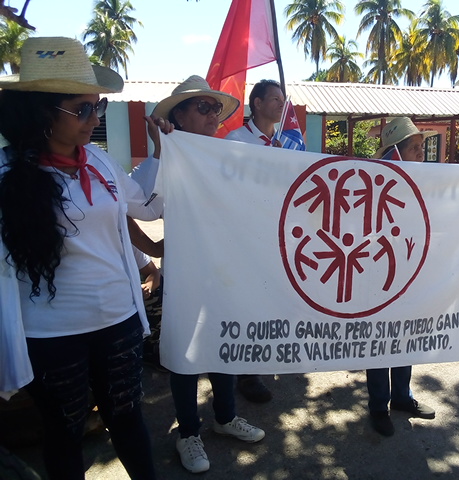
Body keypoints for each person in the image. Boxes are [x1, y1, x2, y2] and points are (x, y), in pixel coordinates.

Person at [0, 37, 162, 480]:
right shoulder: (6, 176)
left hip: (120, 322)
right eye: (83, 109)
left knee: (128, 419)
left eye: (99, 107)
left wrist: (161, 150)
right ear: (41, 111)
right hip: (53, 337)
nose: (95, 119)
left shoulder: (99, 162)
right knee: (64, 431)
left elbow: (144, 205)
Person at [132, 75, 265, 474]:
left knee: (224, 346)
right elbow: (137, 209)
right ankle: (188, 432)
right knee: (185, 355)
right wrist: (154, 251)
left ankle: (224, 418)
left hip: (225, 275)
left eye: (215, 109)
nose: (212, 116)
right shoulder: (161, 160)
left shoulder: (227, 159)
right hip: (187, 279)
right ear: (179, 115)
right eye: (202, 108)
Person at [364, 117, 438, 437]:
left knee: (405, 333)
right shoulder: (374, 179)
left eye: (422, 147)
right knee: (381, 338)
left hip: (410, 266)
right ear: (395, 151)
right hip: (380, 269)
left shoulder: (426, 178)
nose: (421, 152)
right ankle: (379, 405)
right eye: (414, 147)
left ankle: (401, 397)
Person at [224, 79, 287, 403]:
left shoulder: (277, 144)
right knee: (246, 303)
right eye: (274, 98)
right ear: (257, 103)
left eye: (282, 98)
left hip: (270, 234)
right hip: (245, 236)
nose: (281, 103)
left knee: (265, 299)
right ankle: (246, 375)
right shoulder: (237, 141)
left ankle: (259, 359)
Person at [225, 78, 284, 148]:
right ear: (258, 103)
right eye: (276, 99)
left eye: (283, 100)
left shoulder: (286, 141)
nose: (282, 105)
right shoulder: (235, 139)